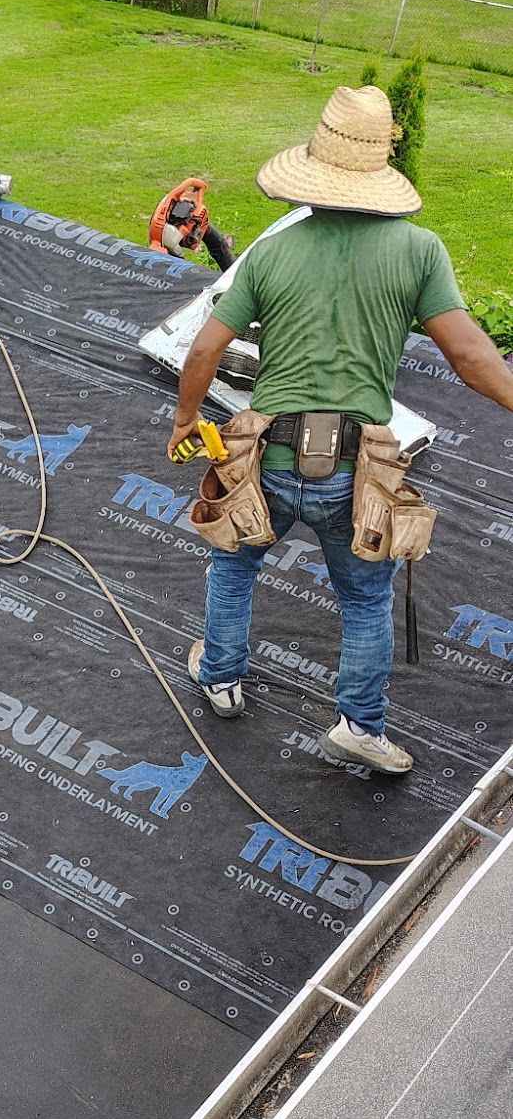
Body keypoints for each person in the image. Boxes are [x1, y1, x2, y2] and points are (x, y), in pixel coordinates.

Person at [168, 84, 513, 775]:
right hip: (358, 475)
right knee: (363, 598)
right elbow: (473, 359)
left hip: (264, 459)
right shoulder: (418, 252)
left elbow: (203, 350)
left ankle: (222, 681)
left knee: (234, 567)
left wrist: (183, 421)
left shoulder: (271, 254)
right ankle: (357, 726)